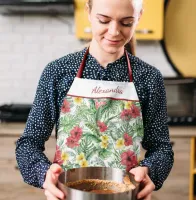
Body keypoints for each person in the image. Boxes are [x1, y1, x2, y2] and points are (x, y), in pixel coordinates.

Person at [15, 0, 174, 199]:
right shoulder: (58, 72)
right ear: (89, 13)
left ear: (139, 17)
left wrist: (150, 172)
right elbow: (28, 142)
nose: (114, 31)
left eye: (126, 22)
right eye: (104, 20)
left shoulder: (148, 78)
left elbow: (161, 147)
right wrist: (45, 174)